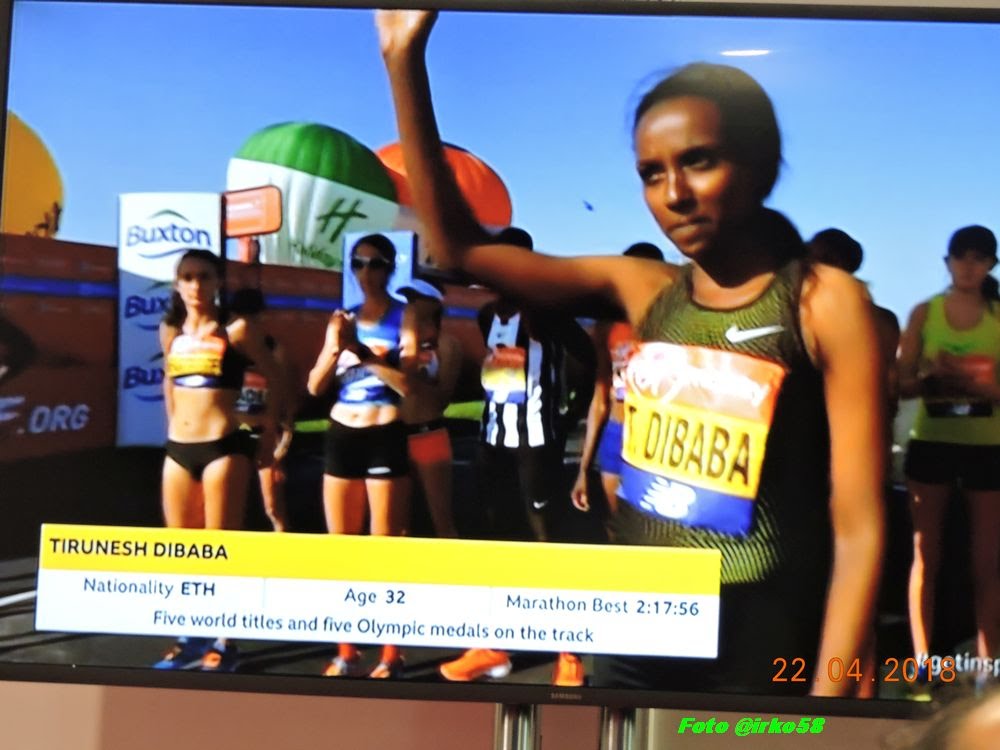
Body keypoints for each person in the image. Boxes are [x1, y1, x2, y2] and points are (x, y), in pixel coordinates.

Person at [376, 9, 885, 697]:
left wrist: (827, 709)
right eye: (651, 173)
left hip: (759, 634)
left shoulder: (824, 303)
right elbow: (462, 248)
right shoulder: (645, 289)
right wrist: (402, 61)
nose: (674, 195)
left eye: (698, 161)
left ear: (761, 164)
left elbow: (859, 529)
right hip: (637, 624)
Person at [154, 249, 282, 672]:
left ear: (218, 282)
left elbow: (276, 374)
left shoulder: (235, 329)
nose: (196, 285)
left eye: (204, 277)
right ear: (177, 284)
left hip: (222, 447)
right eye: (187, 277)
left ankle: (225, 641)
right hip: (179, 449)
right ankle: (190, 637)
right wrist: (172, 423)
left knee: (221, 550)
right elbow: (169, 379)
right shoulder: (170, 330)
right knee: (182, 551)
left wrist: (270, 431)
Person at [307, 233, 413, 679]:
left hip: (384, 431)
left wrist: (363, 352)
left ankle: (391, 653)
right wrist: (336, 346)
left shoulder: (405, 317)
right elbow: (315, 386)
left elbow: (410, 386)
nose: (366, 272)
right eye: (358, 263)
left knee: (383, 549)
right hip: (341, 433)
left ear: (391, 268)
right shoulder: (342, 318)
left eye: (376, 263)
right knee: (342, 550)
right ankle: (347, 650)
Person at [898, 225, 1000, 680]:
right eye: (961, 256)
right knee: (926, 555)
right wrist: (929, 381)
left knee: (987, 561)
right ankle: (923, 662)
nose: (969, 266)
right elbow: (899, 384)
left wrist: (983, 386)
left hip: (987, 446)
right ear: (948, 262)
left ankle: (988, 665)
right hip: (933, 441)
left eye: (979, 258)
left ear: (991, 265)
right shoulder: (925, 312)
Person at [807, 227, 900, 699]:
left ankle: (839, 692)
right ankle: (863, 696)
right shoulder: (882, 320)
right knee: (859, 585)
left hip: (818, 461)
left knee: (827, 583)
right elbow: (889, 393)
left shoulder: (811, 317)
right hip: (862, 459)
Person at [571, 242, 665, 531]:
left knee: (653, 527)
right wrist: (583, 468)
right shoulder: (606, 327)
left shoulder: (671, 325)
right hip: (616, 431)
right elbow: (600, 396)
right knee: (615, 524)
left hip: (656, 435)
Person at [398, 279, 462, 538]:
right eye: (408, 298)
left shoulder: (446, 345)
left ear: (434, 303)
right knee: (398, 521)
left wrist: (412, 380)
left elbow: (443, 398)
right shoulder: (397, 340)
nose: (410, 304)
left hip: (429, 434)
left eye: (416, 298)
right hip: (394, 435)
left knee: (441, 519)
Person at [229, 288, 296, 532]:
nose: (247, 324)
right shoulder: (226, 348)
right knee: (229, 504)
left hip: (264, 433)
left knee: (273, 506)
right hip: (232, 434)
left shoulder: (274, 349)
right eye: (242, 317)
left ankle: (282, 548)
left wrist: (285, 436)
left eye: (253, 317)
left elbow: (288, 395)